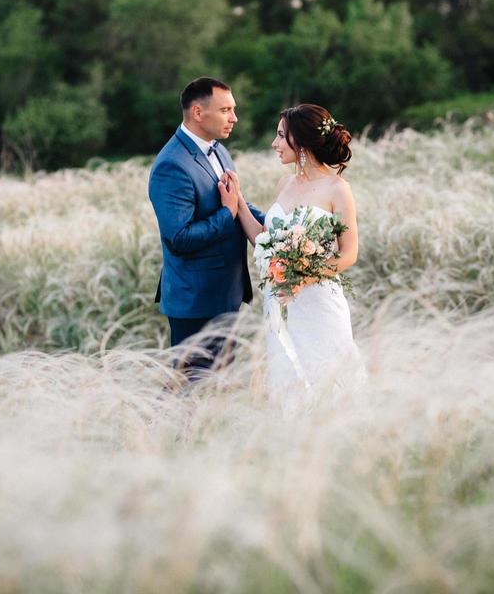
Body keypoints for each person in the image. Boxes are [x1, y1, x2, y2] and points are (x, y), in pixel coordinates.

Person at [228, 103, 366, 412]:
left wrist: (302, 276)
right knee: (290, 377)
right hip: (280, 301)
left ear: (301, 141)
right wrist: (237, 202)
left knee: (328, 375)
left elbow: (349, 254)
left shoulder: (337, 189)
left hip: (319, 301)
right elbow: (263, 240)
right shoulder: (285, 184)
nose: (274, 144)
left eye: (280, 136)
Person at [147, 77, 264, 378]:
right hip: (196, 302)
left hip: (226, 292)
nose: (234, 118)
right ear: (198, 113)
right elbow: (180, 238)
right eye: (226, 110)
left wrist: (281, 225)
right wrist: (226, 213)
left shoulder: (219, 150)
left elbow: (237, 203)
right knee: (193, 390)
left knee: (221, 389)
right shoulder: (171, 165)